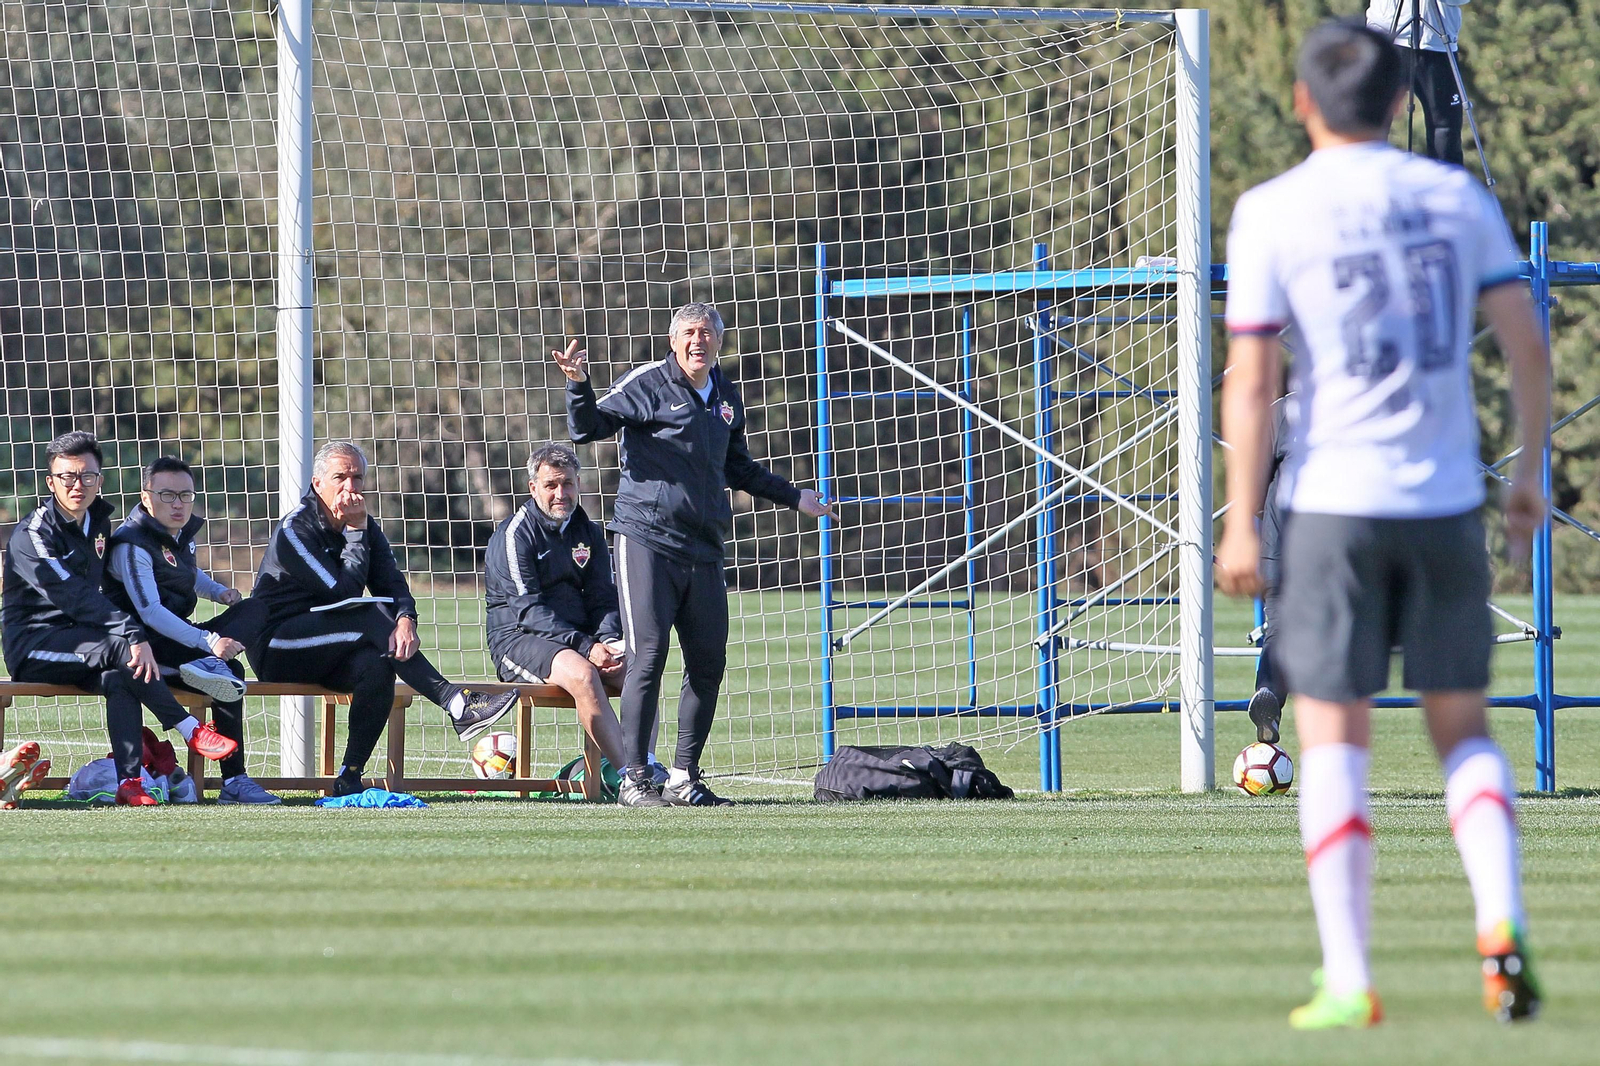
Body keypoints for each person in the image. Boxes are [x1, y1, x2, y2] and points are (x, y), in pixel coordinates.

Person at [1216, 21, 1548, 1029]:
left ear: (1302, 100)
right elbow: (1524, 343)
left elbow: (1254, 377)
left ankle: (1350, 976)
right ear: (1401, 100)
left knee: (1334, 737)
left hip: (1331, 504)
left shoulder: (1272, 209)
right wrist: (1527, 471)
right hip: (1444, 498)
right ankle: (1497, 924)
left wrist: (1238, 523)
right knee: (1463, 731)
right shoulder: (1455, 197)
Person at [557, 302, 836, 806]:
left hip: (704, 549)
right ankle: (636, 779)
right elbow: (589, 428)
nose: (697, 341)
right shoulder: (649, 382)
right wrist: (579, 383)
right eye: (688, 333)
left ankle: (684, 776)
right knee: (648, 658)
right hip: (646, 540)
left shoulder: (725, 396)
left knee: (708, 662)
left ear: (718, 342)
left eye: (706, 333)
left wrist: (797, 497)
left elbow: (740, 469)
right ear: (672, 340)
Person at [247, 440, 519, 797]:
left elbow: (392, 584)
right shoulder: (295, 531)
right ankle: (456, 702)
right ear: (317, 484)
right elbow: (343, 593)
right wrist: (356, 533)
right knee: (367, 612)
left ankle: (350, 776)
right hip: (277, 647)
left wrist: (406, 618)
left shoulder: (365, 525)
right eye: (340, 478)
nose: (350, 487)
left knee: (378, 664)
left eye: (357, 478)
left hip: (331, 649)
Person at [1, 431, 238, 806]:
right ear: (51, 482)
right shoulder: (33, 534)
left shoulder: (98, 522)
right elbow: (74, 597)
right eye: (67, 477)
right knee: (122, 651)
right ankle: (190, 729)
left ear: (100, 479)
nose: (78, 485)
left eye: (87, 476)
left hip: (86, 642)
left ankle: (130, 783)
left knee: (121, 674)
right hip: (35, 647)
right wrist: (133, 633)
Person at [103, 455, 279, 804]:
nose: (179, 503)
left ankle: (234, 783)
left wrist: (219, 592)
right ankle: (235, 777)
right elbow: (149, 612)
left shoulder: (178, 534)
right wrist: (208, 641)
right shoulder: (130, 544)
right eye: (168, 495)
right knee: (230, 672)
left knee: (257, 607)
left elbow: (186, 575)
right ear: (146, 496)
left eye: (186, 495)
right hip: (145, 649)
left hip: (181, 639)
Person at [484, 443, 630, 774]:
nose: (560, 493)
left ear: (578, 483)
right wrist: (587, 647)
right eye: (551, 485)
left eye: (567, 484)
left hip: (579, 639)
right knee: (583, 675)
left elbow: (602, 597)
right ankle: (630, 777)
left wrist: (607, 640)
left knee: (640, 670)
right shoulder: (514, 535)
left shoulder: (589, 532)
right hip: (519, 639)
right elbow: (529, 611)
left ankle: (647, 764)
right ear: (533, 487)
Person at [1367, 0, 1468, 164]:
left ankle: (1446, 186)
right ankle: (1366, 183)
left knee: (1445, 128)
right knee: (1372, 121)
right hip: (1388, 35)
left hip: (1438, 42)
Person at [1246, 397, 1291, 745]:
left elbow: (1254, 488)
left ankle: (1269, 697)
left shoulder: (1280, 411)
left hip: (1279, 550)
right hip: (1338, 550)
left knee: (1280, 632)